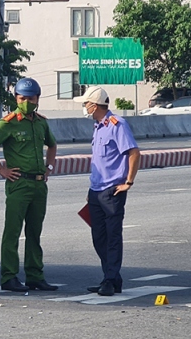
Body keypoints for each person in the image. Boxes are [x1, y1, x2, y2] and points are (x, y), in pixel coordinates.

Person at [0, 77, 59, 292]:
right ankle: (9, 276)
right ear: (16, 98)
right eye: (22, 98)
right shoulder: (9, 123)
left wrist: (49, 168)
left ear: (38, 99)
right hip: (19, 183)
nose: (26, 102)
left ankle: (35, 275)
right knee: (13, 231)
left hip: (38, 184)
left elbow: (52, 145)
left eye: (31, 98)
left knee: (35, 232)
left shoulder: (41, 122)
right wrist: (0, 169)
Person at [82, 87, 140, 297]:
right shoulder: (99, 126)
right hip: (96, 190)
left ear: (95, 105)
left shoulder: (117, 124)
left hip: (112, 191)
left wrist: (128, 182)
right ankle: (113, 277)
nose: (84, 107)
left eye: (86, 104)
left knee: (112, 236)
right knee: (99, 237)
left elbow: (133, 152)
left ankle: (110, 279)